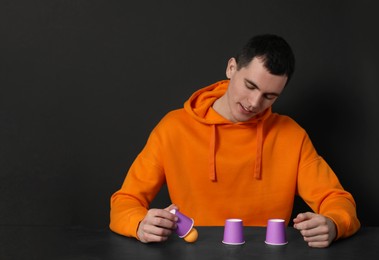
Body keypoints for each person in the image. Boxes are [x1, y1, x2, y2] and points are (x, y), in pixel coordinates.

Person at [109, 34, 360, 248]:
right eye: (250, 85)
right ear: (231, 68)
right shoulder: (173, 128)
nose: (254, 103)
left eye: (269, 96)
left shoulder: (291, 135)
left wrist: (333, 224)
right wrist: (139, 224)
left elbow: (337, 200)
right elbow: (125, 201)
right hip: (193, 252)